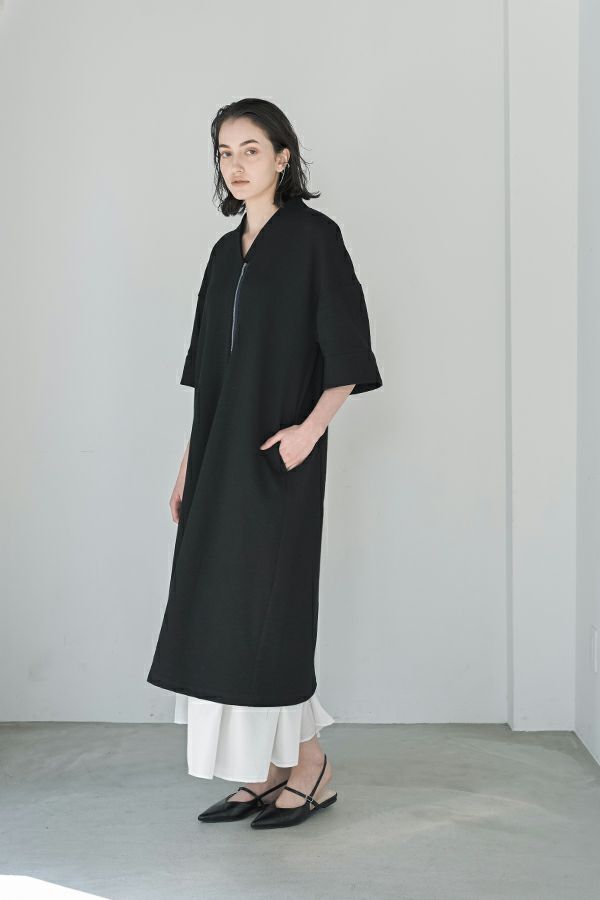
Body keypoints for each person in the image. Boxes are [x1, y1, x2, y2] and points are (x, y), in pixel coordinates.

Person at [147, 98, 383, 829]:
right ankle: (268, 769)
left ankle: (311, 766)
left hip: (279, 460)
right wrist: (187, 466)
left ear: (283, 157)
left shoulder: (315, 238)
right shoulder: (224, 255)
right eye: (225, 152)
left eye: (251, 149)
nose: (236, 165)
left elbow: (348, 348)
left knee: (269, 612)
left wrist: (309, 432)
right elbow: (206, 375)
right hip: (218, 460)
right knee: (221, 611)